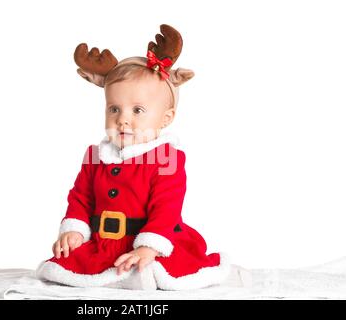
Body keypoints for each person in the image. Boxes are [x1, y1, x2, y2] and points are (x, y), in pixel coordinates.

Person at [36, 24, 230, 290]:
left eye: (138, 110)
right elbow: (81, 197)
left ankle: (147, 257)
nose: (123, 119)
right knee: (60, 270)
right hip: (104, 242)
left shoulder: (166, 159)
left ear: (166, 118)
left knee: (149, 273)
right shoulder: (96, 156)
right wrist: (74, 229)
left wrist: (149, 246)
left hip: (149, 238)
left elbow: (167, 208)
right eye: (114, 108)